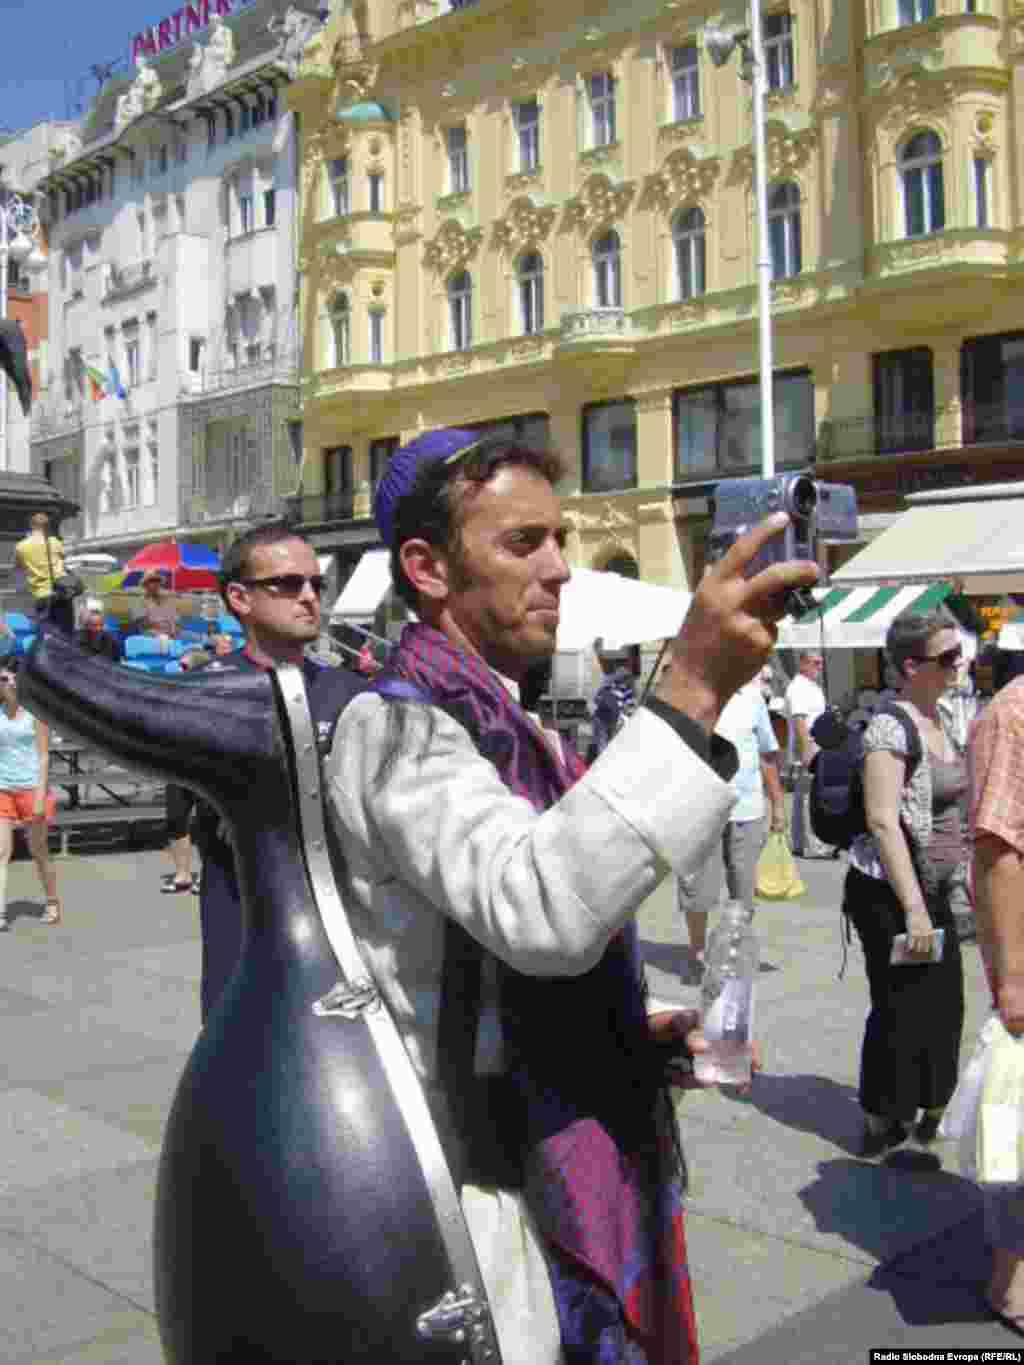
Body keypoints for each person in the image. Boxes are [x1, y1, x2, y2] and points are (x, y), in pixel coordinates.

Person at [326, 427, 819, 1363]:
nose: (559, 569)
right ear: (427, 568)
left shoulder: (510, 715)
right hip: (480, 1180)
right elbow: (538, 909)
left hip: (546, 1142)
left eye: (558, 539)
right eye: (522, 544)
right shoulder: (396, 727)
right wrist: (692, 688)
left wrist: (627, 1029)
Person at [189, 522, 364, 1021]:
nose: (309, 596)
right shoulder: (205, 695)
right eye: (287, 584)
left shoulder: (349, 692)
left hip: (344, 938)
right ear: (239, 598)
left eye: (316, 584)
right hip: (243, 935)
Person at [842, 609, 967, 1159]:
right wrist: (914, 908)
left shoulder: (943, 719)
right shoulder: (890, 725)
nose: (958, 665)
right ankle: (882, 1118)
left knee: (945, 1004)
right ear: (911, 665)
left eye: (959, 654)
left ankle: (929, 1109)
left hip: (936, 889)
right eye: (946, 658)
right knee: (900, 1007)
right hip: (890, 892)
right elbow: (882, 819)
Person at [968, 672, 1024, 1330]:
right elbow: (999, 851)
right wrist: (1013, 979)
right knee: (1014, 1119)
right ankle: (1009, 1280)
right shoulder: (1012, 714)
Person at [677, 674, 786, 973]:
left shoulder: (752, 699)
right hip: (700, 810)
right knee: (697, 888)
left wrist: (778, 804)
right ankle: (698, 951)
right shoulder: (688, 696)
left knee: (744, 888)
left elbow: (766, 753)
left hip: (747, 807)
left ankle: (733, 950)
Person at [0, 661, 59, 931]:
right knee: (1, 852)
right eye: (2, 679)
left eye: (9, 679)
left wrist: (39, 793)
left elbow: (44, 756)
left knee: (38, 851)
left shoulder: (35, 714)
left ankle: (52, 901)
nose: (6, 683)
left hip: (31, 788)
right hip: (3, 789)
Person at [785, 650, 829, 857]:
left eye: (821, 663)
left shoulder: (812, 687)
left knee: (803, 796)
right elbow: (799, 720)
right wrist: (807, 749)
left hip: (818, 744)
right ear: (802, 663)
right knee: (810, 797)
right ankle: (813, 845)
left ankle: (800, 842)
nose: (819, 667)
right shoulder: (798, 688)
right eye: (815, 663)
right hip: (809, 746)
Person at [14, 512, 74, 635]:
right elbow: (63, 560)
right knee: (66, 636)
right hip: (61, 593)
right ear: (47, 527)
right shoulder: (55, 542)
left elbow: (18, 568)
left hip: (41, 595)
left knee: (46, 637)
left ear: (31, 526)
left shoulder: (21, 546)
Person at [587, 645, 637, 761]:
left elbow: (596, 699)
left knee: (602, 745)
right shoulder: (623, 680)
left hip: (604, 717)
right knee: (606, 745)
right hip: (609, 717)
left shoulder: (608, 680)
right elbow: (629, 705)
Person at [136, 570, 179, 638]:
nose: (156, 583)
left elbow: (175, 619)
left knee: (192, 637)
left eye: (157, 581)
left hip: (172, 631)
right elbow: (143, 624)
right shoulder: (140, 602)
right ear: (145, 585)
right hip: (152, 633)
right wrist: (162, 628)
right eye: (152, 581)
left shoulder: (168, 600)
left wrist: (174, 630)